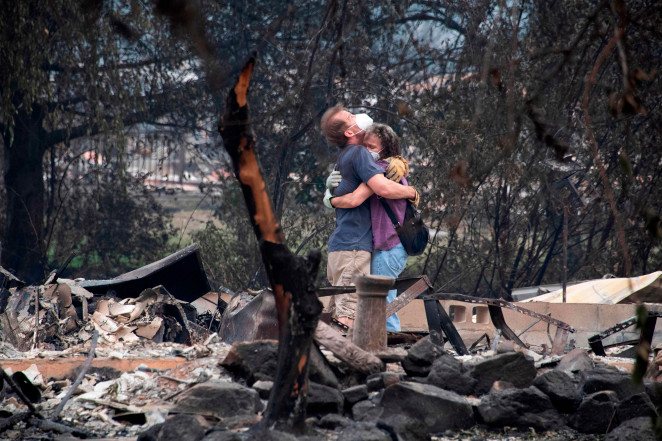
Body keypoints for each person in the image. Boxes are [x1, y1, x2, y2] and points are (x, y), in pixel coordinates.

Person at [320, 105, 418, 327]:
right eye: (350, 116)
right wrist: (413, 192)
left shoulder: (354, 159)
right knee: (356, 311)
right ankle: (357, 356)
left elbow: (363, 192)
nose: (357, 116)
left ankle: (371, 351)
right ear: (349, 132)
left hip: (358, 246)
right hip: (355, 247)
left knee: (365, 307)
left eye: (372, 146)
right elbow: (367, 193)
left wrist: (330, 198)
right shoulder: (359, 155)